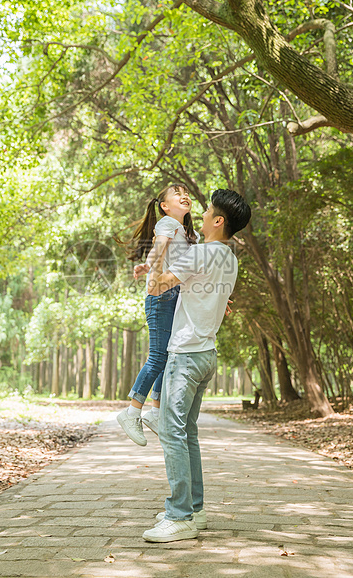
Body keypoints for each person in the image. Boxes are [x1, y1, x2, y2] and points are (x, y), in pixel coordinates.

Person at [141, 188, 251, 543]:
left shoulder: (199, 255)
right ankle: (196, 510)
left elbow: (157, 287)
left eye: (207, 212)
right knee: (186, 433)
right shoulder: (229, 258)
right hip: (207, 355)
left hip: (186, 356)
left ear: (218, 221)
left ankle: (180, 516)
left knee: (172, 432)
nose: (200, 216)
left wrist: (158, 250)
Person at [117, 183, 200, 446]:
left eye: (186, 192)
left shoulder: (191, 234)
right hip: (160, 297)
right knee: (157, 357)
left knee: (168, 355)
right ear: (164, 206)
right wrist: (148, 264)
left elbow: (194, 270)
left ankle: (155, 412)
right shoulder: (167, 223)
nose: (184, 196)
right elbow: (159, 248)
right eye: (177, 193)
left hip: (176, 298)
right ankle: (132, 412)